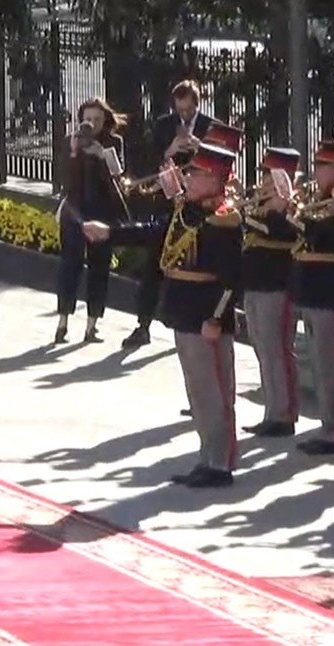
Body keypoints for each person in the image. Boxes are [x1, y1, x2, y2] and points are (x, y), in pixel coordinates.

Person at [84, 144, 243, 488]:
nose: (188, 178)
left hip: (206, 313)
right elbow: (152, 233)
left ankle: (221, 462)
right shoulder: (187, 211)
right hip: (184, 309)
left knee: (215, 393)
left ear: (215, 179)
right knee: (198, 392)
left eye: (196, 174)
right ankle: (208, 457)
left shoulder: (224, 218)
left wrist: (217, 317)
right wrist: (110, 233)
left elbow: (233, 277)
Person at [122, 80, 213, 349]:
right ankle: (143, 325)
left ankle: (195, 322)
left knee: (196, 266)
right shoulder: (164, 125)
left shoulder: (210, 126)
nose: (183, 115)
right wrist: (169, 151)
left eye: (188, 111)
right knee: (154, 263)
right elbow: (148, 160)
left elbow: (222, 166)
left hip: (198, 207)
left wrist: (200, 149)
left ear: (197, 105)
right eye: (179, 109)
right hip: (168, 203)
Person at [290, 142, 334, 457]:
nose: (317, 171)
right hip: (312, 291)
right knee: (320, 363)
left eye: (323, 166)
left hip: (331, 293)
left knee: (332, 364)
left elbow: (329, 238)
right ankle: (327, 426)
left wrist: (299, 217)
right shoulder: (319, 199)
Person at [239, 147, 303, 438]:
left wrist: (278, 206)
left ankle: (285, 414)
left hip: (278, 286)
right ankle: (272, 411)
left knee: (278, 351)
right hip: (255, 284)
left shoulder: (294, 207)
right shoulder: (263, 204)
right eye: (263, 174)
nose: (263, 181)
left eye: (270, 175)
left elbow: (284, 233)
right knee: (263, 349)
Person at [54, 98, 129, 344]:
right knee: (70, 265)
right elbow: (63, 178)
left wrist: (103, 155)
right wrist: (75, 152)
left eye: (97, 120)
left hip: (101, 211)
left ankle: (92, 325)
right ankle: (63, 321)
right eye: (88, 119)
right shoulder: (71, 140)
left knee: (99, 267)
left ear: (105, 121)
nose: (93, 124)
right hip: (75, 211)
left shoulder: (112, 142)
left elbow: (119, 174)